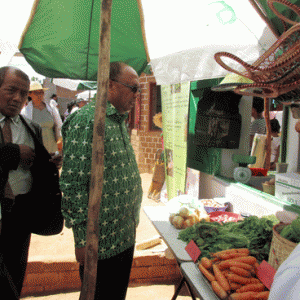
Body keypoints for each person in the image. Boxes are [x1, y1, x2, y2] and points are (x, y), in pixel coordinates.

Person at [60, 62, 142, 300]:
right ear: (110, 86)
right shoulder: (87, 121)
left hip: (124, 234)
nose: (137, 95)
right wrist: (81, 240)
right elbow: (73, 184)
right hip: (100, 243)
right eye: (133, 88)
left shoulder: (118, 120)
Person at [0, 66, 62, 299]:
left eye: (23, 93)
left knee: (14, 279)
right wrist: (11, 153)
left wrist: (48, 164)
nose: (17, 98)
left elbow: (36, 168)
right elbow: (11, 155)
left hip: (20, 217)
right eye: (10, 90)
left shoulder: (31, 128)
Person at [21, 83, 63, 154]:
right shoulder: (25, 112)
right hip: (36, 151)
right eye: (36, 93)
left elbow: (59, 127)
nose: (39, 95)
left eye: (41, 92)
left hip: (53, 149)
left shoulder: (51, 109)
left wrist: (60, 147)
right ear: (29, 94)